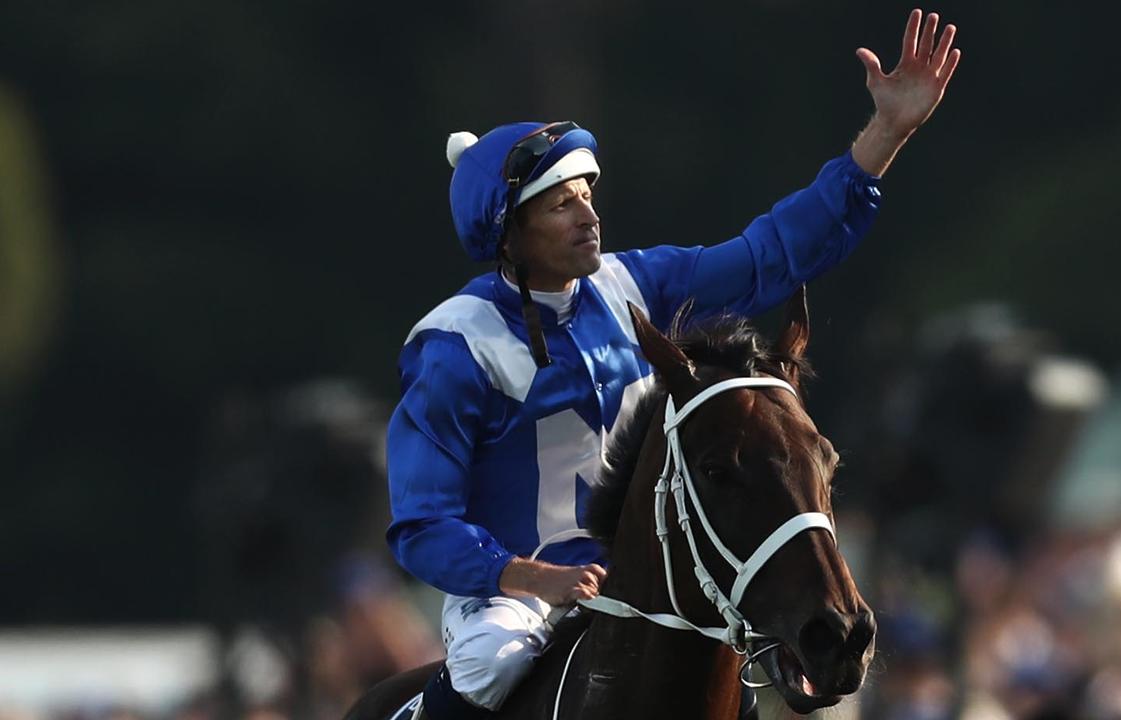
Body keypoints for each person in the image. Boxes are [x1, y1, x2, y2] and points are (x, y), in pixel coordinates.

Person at [386, 9, 961, 718]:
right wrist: (528, 575)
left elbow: (770, 253)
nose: (588, 215)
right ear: (509, 230)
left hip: (649, 578)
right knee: (485, 667)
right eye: (562, 205)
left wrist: (884, 135)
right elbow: (420, 525)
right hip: (512, 603)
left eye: (588, 195)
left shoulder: (636, 285)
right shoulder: (454, 345)